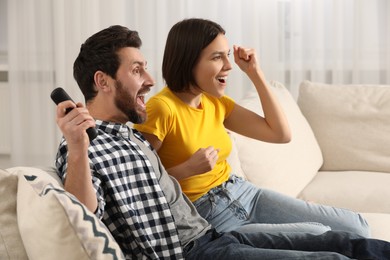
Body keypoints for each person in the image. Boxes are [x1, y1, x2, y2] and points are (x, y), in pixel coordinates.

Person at [54, 24, 390, 259]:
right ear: (103, 81)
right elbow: (80, 213)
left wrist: (255, 73)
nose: (150, 79)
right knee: (327, 252)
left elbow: (280, 134)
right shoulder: (86, 144)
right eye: (137, 70)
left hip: (212, 231)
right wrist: (78, 144)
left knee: (342, 240)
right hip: (197, 245)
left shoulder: (130, 134)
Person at [134, 18, 369, 236]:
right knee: (321, 234)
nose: (229, 65)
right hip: (208, 213)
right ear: (189, 61)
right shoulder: (161, 109)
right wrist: (188, 169)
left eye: (227, 55)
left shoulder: (215, 103)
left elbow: (280, 134)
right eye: (217, 57)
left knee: (357, 227)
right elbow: (138, 183)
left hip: (245, 193)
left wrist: (255, 73)